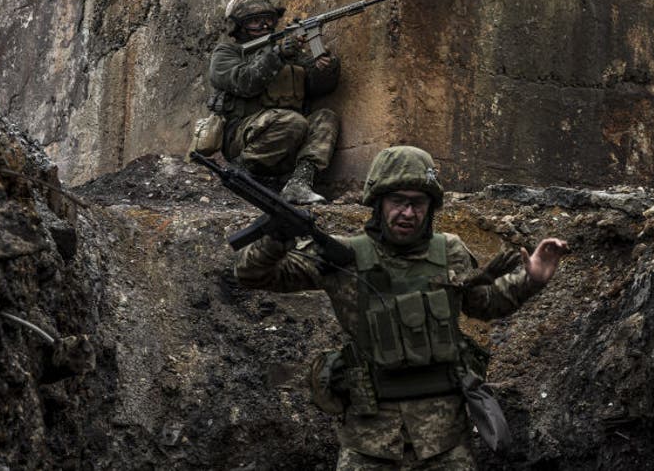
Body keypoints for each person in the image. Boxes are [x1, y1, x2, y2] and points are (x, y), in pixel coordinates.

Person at [234, 145, 570, 469]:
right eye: (398, 201)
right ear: (378, 203)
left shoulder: (449, 251)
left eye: (418, 203)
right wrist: (276, 238)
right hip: (369, 441)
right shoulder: (342, 257)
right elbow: (254, 275)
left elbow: (483, 304)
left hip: (445, 442)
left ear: (430, 207)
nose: (408, 213)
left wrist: (532, 279)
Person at [208, 0, 340, 204]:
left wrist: (326, 65)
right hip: (244, 137)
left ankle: (299, 183)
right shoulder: (227, 53)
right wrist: (277, 54)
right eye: (254, 21)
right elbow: (244, 82)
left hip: (289, 136)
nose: (263, 25)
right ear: (238, 27)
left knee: (326, 117)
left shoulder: (289, 51)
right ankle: (241, 171)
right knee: (293, 121)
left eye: (268, 19)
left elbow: (319, 86)